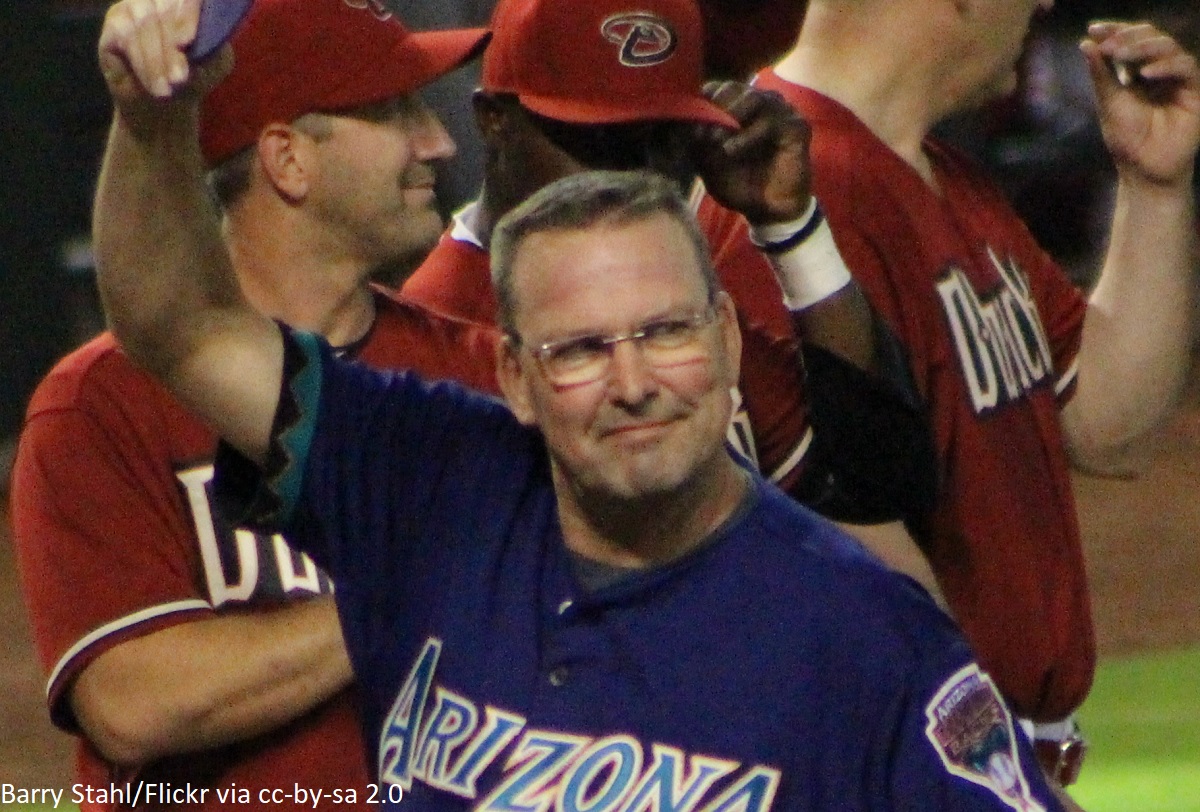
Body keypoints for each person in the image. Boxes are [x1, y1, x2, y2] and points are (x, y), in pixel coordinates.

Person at [88, 5, 1067, 804]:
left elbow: (879, 465)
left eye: (667, 333)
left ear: (727, 340)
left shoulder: (864, 635)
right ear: (509, 368)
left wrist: (795, 227)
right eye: (583, 349)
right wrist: (150, 123)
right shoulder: (428, 474)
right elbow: (180, 325)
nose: (634, 380)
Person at [10, 0, 496, 807]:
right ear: (287, 159)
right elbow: (134, 704)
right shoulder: (102, 404)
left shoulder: (475, 369)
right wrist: (425, 585)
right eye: (394, 111)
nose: (439, 143)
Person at [708, 0, 1200, 793]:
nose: (1042, 4)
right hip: (918, 762)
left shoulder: (940, 174)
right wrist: (989, 773)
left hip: (986, 760)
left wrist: (1156, 188)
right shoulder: (778, 193)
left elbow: (1110, 425)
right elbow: (833, 541)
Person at [399, 0, 937, 544]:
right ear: (494, 121)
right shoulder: (433, 332)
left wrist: (791, 225)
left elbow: (878, 481)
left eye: (662, 140)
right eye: (599, 142)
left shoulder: (673, 298)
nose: (635, 175)